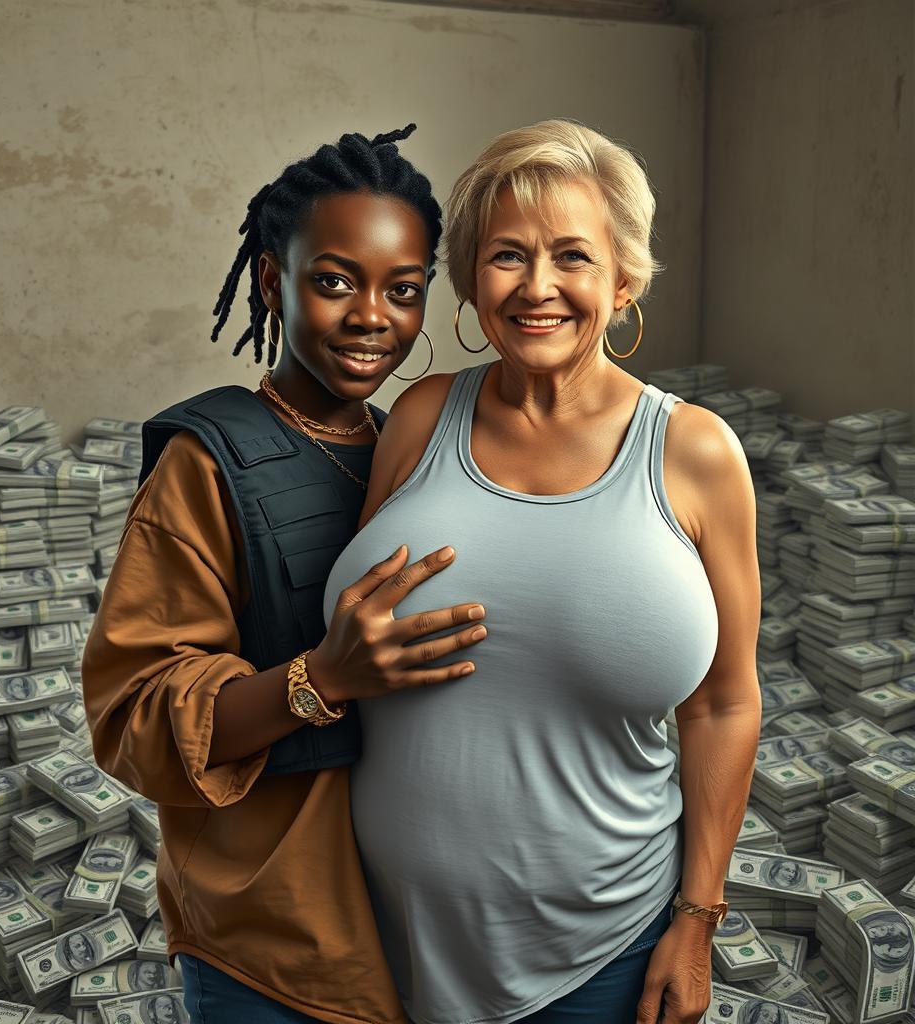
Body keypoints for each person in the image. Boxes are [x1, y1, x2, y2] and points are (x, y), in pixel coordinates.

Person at [319, 119, 762, 1024]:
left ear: (624, 279)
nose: (538, 287)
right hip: (375, 941)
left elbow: (723, 703)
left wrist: (699, 918)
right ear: (472, 280)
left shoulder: (694, 453)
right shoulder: (420, 415)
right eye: (508, 256)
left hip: (602, 958)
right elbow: (345, 640)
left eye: (573, 256)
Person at [83, 125, 487, 1024]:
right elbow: (132, 719)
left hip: (424, 935)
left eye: (405, 290)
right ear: (273, 280)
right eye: (335, 281)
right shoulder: (206, 462)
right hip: (275, 945)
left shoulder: (414, 450)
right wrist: (322, 678)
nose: (371, 315)